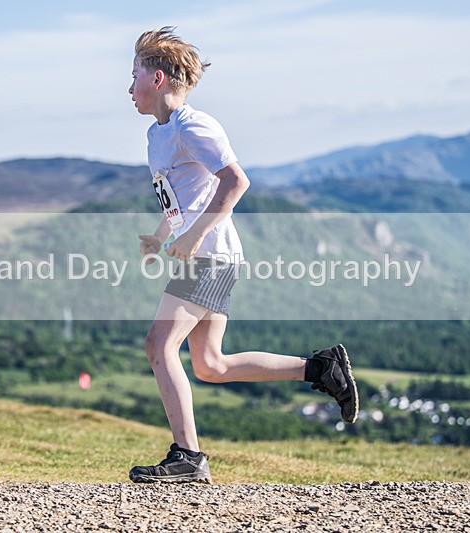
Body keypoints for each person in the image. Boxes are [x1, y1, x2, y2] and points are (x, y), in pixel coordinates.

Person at [128, 27, 358, 484]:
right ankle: (321, 368)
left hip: (211, 255)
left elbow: (236, 182)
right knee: (210, 365)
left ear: (156, 78)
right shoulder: (158, 135)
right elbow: (181, 199)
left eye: (133, 74)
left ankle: (188, 458)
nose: (127, 86)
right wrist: (160, 236)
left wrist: (192, 239)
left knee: (159, 345)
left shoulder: (196, 125)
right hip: (206, 254)